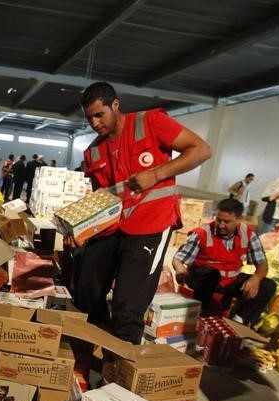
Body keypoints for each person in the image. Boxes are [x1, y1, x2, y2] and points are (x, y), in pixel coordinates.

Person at [72, 81, 211, 344]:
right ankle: (95, 346)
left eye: (99, 115)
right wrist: (79, 228)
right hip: (113, 227)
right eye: (89, 117)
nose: (94, 123)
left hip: (151, 224)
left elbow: (201, 150)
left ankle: (117, 374)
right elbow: (100, 201)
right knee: (86, 289)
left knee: (128, 305)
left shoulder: (151, 122)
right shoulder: (93, 150)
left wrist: (157, 173)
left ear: (115, 105)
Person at [173, 198, 275, 325]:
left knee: (268, 285)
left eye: (226, 222)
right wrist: (180, 268)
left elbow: (262, 264)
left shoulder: (247, 234)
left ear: (237, 220)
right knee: (211, 274)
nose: (221, 225)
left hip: (229, 281)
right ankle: (200, 314)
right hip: (201, 278)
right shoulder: (203, 233)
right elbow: (178, 258)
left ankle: (239, 322)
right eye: (218, 220)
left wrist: (256, 278)